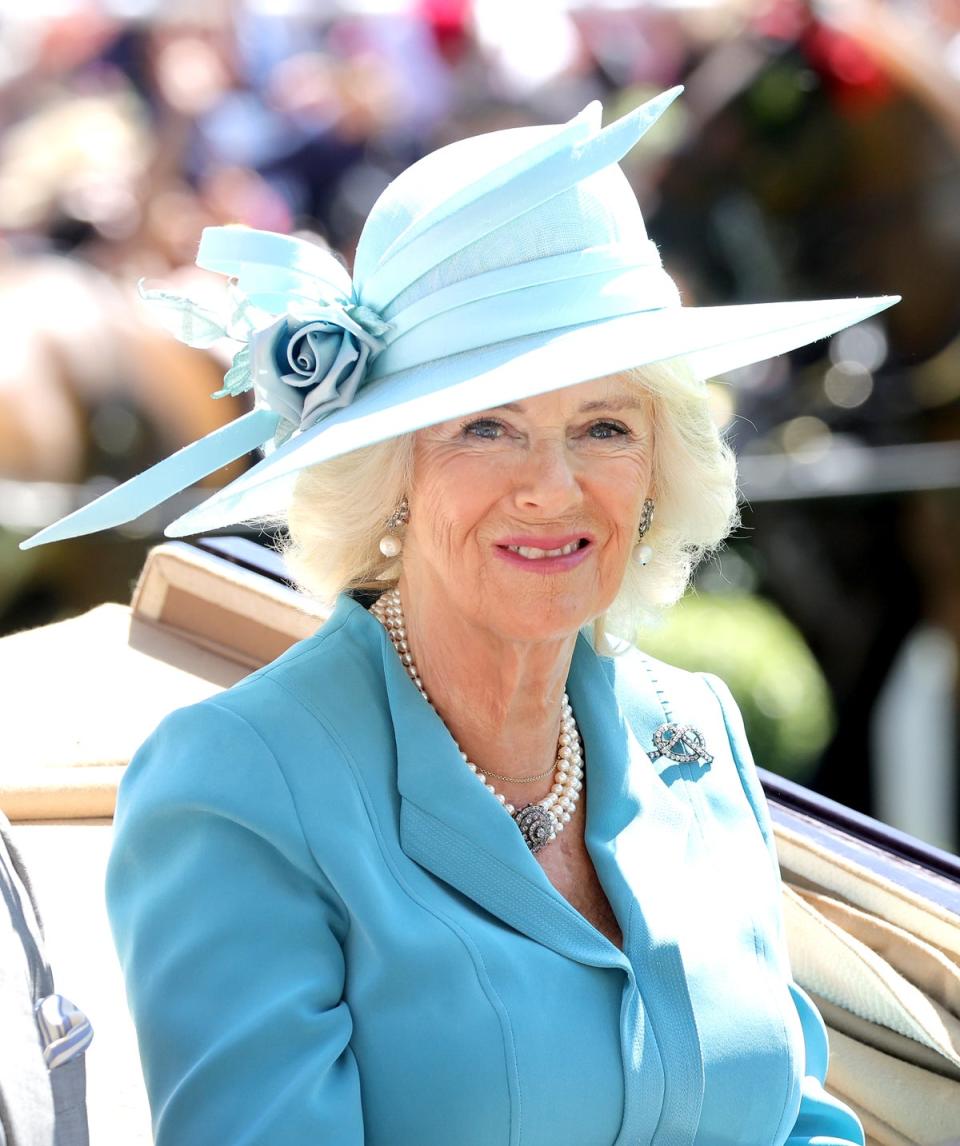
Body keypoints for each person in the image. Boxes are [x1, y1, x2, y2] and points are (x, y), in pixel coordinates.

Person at [22, 87, 896, 1144]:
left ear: (661, 465)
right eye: (486, 428)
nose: (552, 487)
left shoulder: (695, 736)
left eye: (605, 426)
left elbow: (793, 1118)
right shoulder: (238, 786)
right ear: (388, 475)